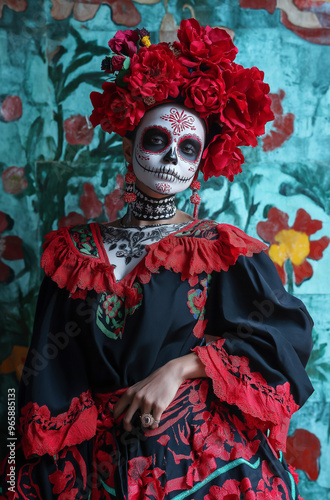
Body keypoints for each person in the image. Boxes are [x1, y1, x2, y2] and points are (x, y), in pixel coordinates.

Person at [1, 19, 314, 500]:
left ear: (201, 164)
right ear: (128, 146)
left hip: (204, 470)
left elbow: (282, 338)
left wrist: (181, 369)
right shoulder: (74, 252)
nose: (171, 158)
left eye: (188, 148)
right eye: (156, 141)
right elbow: (49, 381)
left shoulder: (220, 248)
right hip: (98, 475)